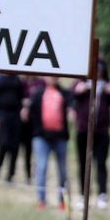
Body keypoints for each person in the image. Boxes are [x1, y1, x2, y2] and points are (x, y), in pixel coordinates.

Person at [72, 60, 110, 209]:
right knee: (83, 163)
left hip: (101, 131)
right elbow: (71, 98)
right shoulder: (81, 84)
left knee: (101, 163)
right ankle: (83, 195)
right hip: (83, 131)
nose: (97, 72)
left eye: (100, 70)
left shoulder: (107, 86)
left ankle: (102, 194)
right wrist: (78, 90)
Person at [24, 76, 72, 210]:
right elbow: (29, 113)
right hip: (41, 137)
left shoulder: (65, 93)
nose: (53, 78)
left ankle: (63, 201)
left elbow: (71, 107)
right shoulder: (37, 93)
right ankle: (41, 200)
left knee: (62, 170)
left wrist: (71, 112)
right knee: (42, 167)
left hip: (60, 137)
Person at [0, 72, 26, 185]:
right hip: (1, 114)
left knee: (14, 147)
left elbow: (21, 96)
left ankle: (10, 176)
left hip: (15, 115)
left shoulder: (16, 78)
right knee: (3, 144)